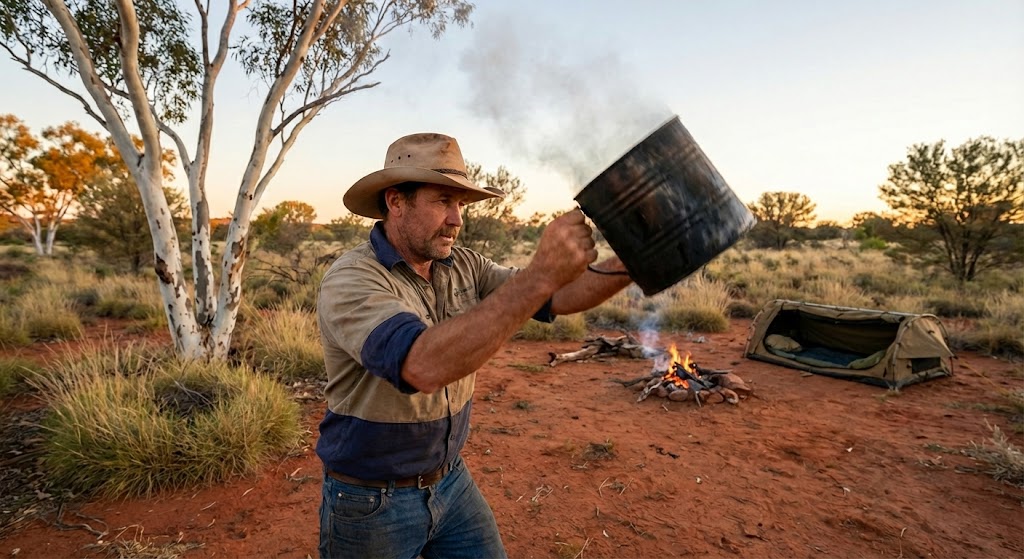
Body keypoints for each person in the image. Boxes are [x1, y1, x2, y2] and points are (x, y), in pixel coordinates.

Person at [316, 132, 633, 559]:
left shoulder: (462, 264)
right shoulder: (352, 279)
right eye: (442, 201)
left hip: (450, 481)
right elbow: (420, 365)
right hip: (371, 501)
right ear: (396, 201)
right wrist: (541, 274)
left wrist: (641, 258)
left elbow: (555, 296)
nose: (456, 219)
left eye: (460, 204)